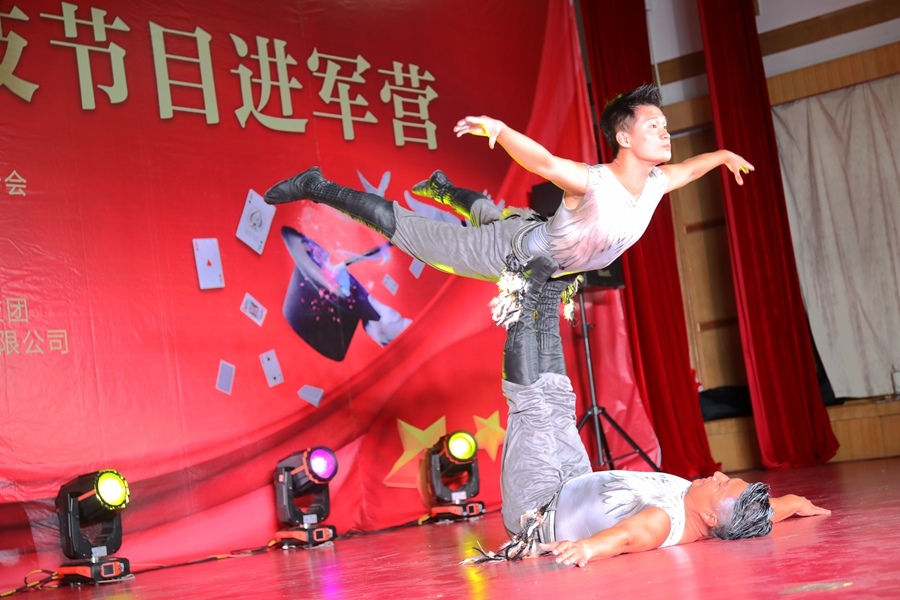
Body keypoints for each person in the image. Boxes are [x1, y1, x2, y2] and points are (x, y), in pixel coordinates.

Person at [463, 258, 831, 567]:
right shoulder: (719, 512)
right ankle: (547, 304)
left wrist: (588, 548)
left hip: (538, 508)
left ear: (708, 517)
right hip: (575, 482)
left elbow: (626, 537)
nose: (718, 474)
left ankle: (522, 300)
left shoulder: (662, 521)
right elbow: (753, 511)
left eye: (721, 484)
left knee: (531, 406)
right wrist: (792, 503)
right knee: (559, 400)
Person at [263, 84, 755, 296]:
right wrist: (499, 131)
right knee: (415, 234)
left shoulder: (656, 182)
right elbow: (543, 161)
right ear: (624, 138)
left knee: (491, 216)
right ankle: (317, 185)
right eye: (654, 125)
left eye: (665, 126)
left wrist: (722, 156)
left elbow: (690, 168)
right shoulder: (593, 182)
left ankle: (444, 189)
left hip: (533, 239)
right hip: (510, 255)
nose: (666, 133)